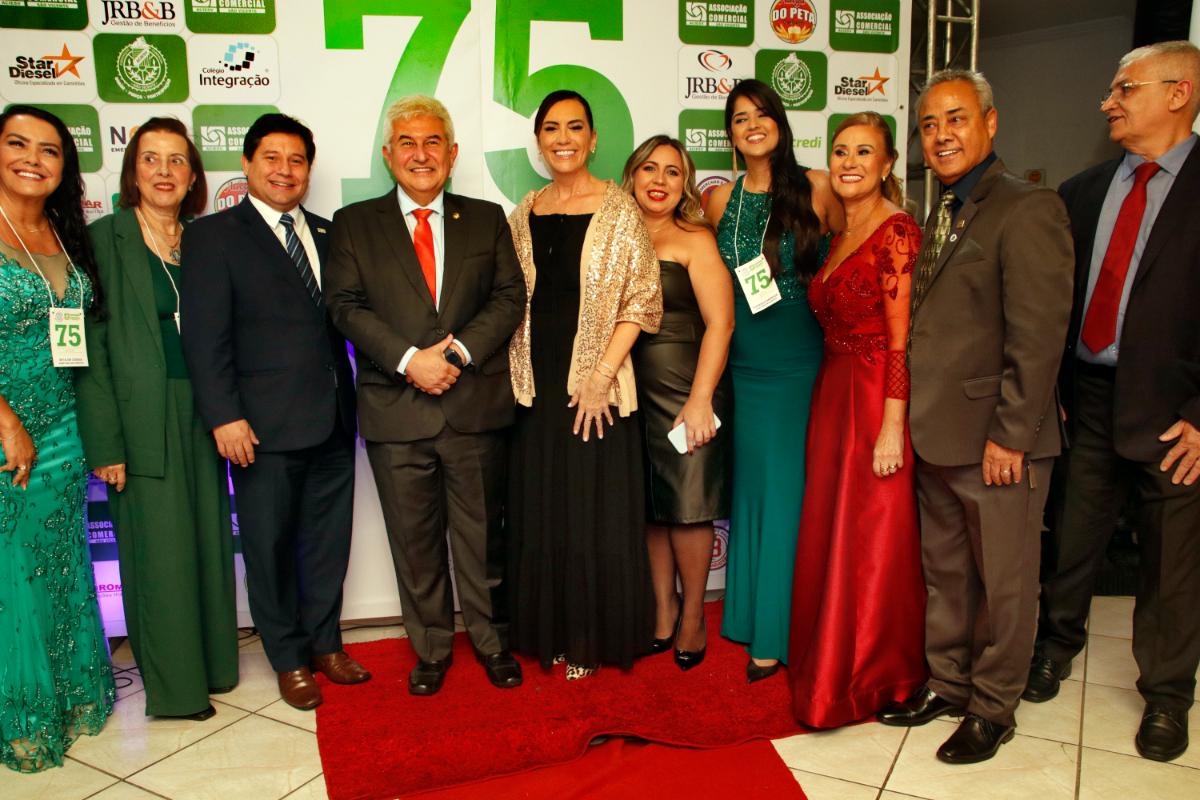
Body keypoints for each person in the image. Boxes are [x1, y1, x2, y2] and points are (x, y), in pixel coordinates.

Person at [876, 70, 1074, 765]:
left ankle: (992, 708)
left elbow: (1038, 336)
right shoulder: (942, 209)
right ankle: (949, 683)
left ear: (991, 122)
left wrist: (1012, 436)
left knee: (1006, 583)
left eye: (955, 119)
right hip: (939, 435)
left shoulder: (1028, 207)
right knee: (949, 576)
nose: (941, 135)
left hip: (997, 439)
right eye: (929, 124)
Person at [1026, 41, 1200, 763]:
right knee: (1072, 538)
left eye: (1125, 88)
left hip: (1177, 411)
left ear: (1179, 92)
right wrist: (1052, 389)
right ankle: (1053, 649)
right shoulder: (1083, 189)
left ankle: (1167, 695)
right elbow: (1054, 301)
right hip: (1089, 397)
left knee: (1173, 562)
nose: (1108, 103)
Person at [325, 96, 526, 696]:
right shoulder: (353, 223)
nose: (421, 154)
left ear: (452, 153)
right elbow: (344, 306)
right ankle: (432, 648)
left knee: (483, 541)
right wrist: (411, 361)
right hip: (395, 411)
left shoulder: (486, 219)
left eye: (433, 141)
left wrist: (456, 354)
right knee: (414, 546)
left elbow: (509, 299)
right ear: (389, 156)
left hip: (473, 409)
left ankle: (492, 643)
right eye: (408, 143)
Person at [180, 113, 367, 711]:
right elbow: (204, 338)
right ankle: (288, 658)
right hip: (259, 428)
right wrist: (223, 416)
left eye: (297, 160)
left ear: (309, 169)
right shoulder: (214, 236)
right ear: (247, 163)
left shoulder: (330, 233)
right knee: (269, 548)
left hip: (334, 419)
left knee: (327, 544)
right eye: (272, 158)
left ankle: (326, 644)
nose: (285, 170)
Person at [75, 117, 238, 721]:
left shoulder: (204, 238)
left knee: (207, 545)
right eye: (151, 159)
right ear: (132, 171)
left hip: (206, 410)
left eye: (177, 160)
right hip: (140, 416)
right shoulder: (103, 240)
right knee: (159, 555)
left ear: (193, 176)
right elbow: (88, 351)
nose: (164, 171)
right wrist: (105, 442)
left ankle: (215, 666)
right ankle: (176, 693)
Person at [506, 90, 662, 679]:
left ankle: (589, 639)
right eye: (551, 128)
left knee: (590, 509)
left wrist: (600, 377)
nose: (563, 138)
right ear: (539, 141)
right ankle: (548, 632)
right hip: (534, 387)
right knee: (543, 507)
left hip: (595, 389)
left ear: (593, 140)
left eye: (575, 127)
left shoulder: (620, 210)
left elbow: (642, 302)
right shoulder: (524, 212)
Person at [787, 113, 926, 727]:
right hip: (832, 393)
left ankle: (875, 674)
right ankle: (829, 661)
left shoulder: (897, 231)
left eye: (864, 152)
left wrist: (892, 426)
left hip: (874, 398)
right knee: (832, 529)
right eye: (841, 151)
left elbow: (901, 341)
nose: (849, 162)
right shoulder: (840, 231)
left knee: (872, 536)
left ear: (887, 164)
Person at [704, 79, 842, 682]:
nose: (752, 125)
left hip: (798, 362)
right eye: (740, 118)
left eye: (762, 114)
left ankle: (778, 631)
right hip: (742, 363)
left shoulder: (818, 187)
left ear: (780, 123)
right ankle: (749, 613)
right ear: (730, 135)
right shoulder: (719, 201)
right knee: (753, 493)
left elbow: (854, 252)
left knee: (786, 493)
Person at [0, 105, 115, 771]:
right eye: (17, 144)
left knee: (62, 562)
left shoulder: (64, 233)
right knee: (14, 570)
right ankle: (23, 717)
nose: (33, 159)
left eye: (48, 150)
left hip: (64, 425)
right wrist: (7, 421)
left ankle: (71, 697)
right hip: (8, 431)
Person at [622, 135, 733, 671]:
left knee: (688, 510)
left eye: (672, 171)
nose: (660, 180)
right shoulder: (616, 236)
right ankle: (662, 609)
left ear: (684, 184)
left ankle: (693, 617)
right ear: (633, 176)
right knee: (651, 508)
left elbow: (721, 323)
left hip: (688, 389)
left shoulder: (695, 238)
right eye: (650, 168)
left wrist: (701, 399)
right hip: (630, 393)